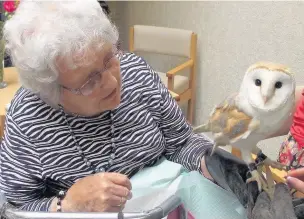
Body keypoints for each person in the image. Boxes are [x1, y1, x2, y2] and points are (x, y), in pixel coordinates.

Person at [0, 0, 213, 212]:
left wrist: (214, 165)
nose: (112, 82)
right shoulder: (27, 119)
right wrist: (67, 205)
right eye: (89, 81)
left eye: (109, 58)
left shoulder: (136, 73)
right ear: (51, 91)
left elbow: (182, 143)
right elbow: (13, 209)